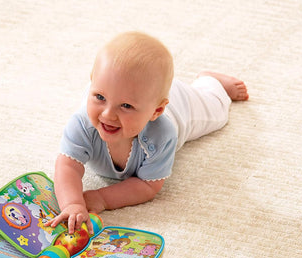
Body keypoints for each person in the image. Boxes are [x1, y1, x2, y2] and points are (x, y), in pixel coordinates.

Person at [45, 31, 249, 234]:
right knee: (115, 92)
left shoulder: (162, 134)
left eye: (125, 106)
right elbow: (67, 166)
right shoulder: (82, 123)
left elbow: (147, 186)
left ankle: (211, 82)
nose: (108, 115)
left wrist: (101, 198)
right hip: (134, 92)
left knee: (217, 113)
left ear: (157, 110)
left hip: (182, 106)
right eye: (99, 96)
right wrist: (72, 203)